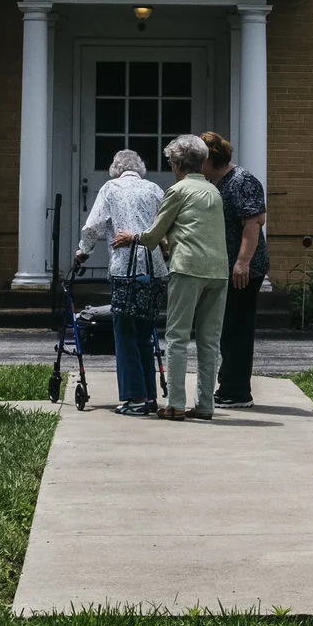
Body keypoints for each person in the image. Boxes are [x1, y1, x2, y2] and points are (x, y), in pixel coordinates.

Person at [115, 133, 227, 419]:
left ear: (178, 163)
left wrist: (132, 236)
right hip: (218, 271)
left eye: (171, 162)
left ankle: (175, 403)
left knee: (177, 337)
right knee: (209, 340)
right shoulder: (214, 191)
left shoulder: (178, 191)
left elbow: (153, 236)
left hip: (188, 269)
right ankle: (205, 405)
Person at [74, 148, 163, 416]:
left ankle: (134, 397)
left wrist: (83, 251)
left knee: (124, 333)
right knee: (145, 334)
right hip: (155, 269)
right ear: (140, 168)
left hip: (126, 269)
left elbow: (93, 226)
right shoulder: (155, 189)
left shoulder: (110, 188)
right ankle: (148, 396)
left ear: (115, 169)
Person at [200, 131, 267, 407]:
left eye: (198, 160)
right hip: (226, 268)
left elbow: (254, 222)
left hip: (242, 269)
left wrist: (242, 262)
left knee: (237, 328)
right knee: (227, 327)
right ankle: (228, 384)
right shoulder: (216, 181)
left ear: (211, 158)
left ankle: (237, 392)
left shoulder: (241, 181)